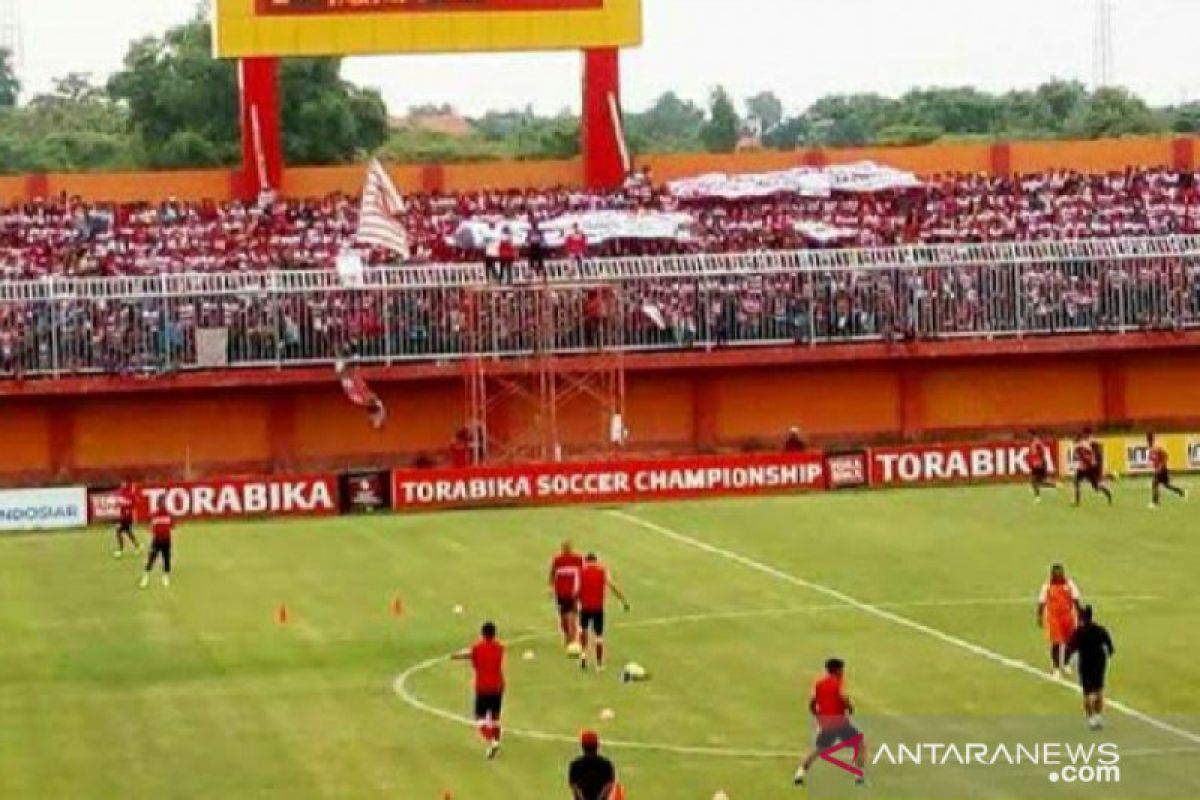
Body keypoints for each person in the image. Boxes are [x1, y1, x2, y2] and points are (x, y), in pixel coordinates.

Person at [794, 658, 867, 786]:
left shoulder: (819, 683)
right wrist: (849, 706)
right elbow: (843, 698)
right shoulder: (837, 682)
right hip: (839, 723)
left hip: (826, 723)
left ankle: (799, 774)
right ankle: (858, 775)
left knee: (818, 749)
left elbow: (812, 703)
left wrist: (818, 716)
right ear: (838, 670)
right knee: (860, 744)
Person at [452, 621, 505, 759]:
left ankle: (492, 741)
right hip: (498, 686)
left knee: (480, 718)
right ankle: (496, 741)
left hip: (482, 687)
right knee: (495, 718)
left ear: (482, 633)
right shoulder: (499, 648)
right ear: (494, 634)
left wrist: (455, 655)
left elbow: (469, 654)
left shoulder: (478, 648)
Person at [1065, 605, 1115, 730]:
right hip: (1099, 662)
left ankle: (1091, 718)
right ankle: (1098, 716)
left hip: (1086, 663)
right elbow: (1110, 647)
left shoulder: (1079, 632)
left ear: (1080, 617)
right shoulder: (1100, 629)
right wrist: (1107, 655)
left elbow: (1070, 648)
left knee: (1087, 692)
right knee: (1098, 690)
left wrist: (1066, 662)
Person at [578, 553, 630, 672]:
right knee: (599, 636)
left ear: (586, 561)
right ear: (596, 561)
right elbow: (613, 587)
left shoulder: (582, 572)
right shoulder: (602, 572)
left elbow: (577, 590)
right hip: (598, 608)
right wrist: (623, 600)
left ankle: (583, 655)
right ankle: (599, 664)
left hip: (585, 607)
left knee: (583, 630)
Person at [1037, 564, 1083, 678]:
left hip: (1068, 617)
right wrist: (1039, 617)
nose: (1059, 576)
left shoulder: (1070, 584)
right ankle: (1056, 668)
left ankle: (1066, 663)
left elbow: (1076, 600)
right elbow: (1041, 603)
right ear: (1052, 574)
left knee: (1071, 642)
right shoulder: (1047, 586)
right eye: (1056, 574)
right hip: (1054, 618)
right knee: (1056, 643)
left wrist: (1081, 616)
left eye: (1060, 573)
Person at [549, 541, 585, 648]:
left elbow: (583, 573)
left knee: (572, 615)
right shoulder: (558, 560)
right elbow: (552, 573)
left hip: (573, 592)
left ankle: (572, 640)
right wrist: (551, 588)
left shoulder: (578, 559)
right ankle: (567, 636)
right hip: (560, 592)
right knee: (563, 617)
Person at [336, 359, 387, 430]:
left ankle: (345, 361)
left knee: (344, 371)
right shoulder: (371, 400)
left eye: (375, 423)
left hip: (353, 390)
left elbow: (355, 386)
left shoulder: (362, 398)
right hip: (355, 389)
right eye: (377, 423)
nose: (376, 421)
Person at [568, 730, 619, 800]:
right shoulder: (606, 764)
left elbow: (575, 788)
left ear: (582, 746)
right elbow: (608, 786)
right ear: (597, 745)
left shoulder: (575, 765)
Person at [1072, 430, 1113, 506]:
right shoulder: (1083, 445)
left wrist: (1086, 461)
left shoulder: (1080, 446)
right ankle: (1077, 501)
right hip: (1084, 468)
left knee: (1096, 487)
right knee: (1076, 482)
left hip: (1088, 468)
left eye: (1075, 439)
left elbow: (1086, 457)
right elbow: (1082, 456)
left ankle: (1108, 492)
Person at [1147, 432, 1187, 508]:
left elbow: (1165, 456)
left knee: (1154, 483)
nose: (1149, 441)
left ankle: (1155, 502)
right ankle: (1182, 492)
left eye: (1150, 439)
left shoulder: (1157, 447)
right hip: (1159, 469)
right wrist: (1153, 464)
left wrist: (1161, 466)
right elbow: (1152, 459)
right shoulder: (1151, 448)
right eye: (1148, 439)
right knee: (1166, 485)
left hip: (1162, 469)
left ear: (1152, 439)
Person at [139, 510, 173, 588]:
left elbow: (172, 526)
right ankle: (145, 577)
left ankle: (165, 576)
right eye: (161, 503)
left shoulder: (169, 515)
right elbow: (147, 524)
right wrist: (151, 530)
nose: (162, 505)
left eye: (163, 503)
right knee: (152, 558)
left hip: (166, 540)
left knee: (166, 559)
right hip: (157, 540)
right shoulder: (154, 515)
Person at [113, 481, 141, 558]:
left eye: (124, 483)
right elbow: (118, 503)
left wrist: (135, 517)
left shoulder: (130, 494)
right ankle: (137, 546)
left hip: (127, 516)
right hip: (123, 516)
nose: (123, 484)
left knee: (118, 530)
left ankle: (121, 549)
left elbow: (135, 504)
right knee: (128, 532)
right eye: (122, 483)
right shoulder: (121, 493)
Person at [1027, 431, 1057, 502]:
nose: (1028, 437)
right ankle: (1056, 485)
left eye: (1029, 435)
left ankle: (1037, 497)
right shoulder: (1037, 442)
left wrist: (1038, 461)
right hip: (1040, 463)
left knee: (1034, 481)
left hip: (1039, 464)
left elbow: (1039, 452)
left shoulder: (1036, 442)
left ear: (1032, 435)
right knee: (1040, 481)